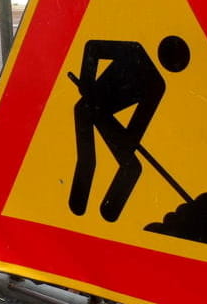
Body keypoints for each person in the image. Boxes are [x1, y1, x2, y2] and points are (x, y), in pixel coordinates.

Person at [67, 36, 190, 222]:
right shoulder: (134, 51)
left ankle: (109, 212)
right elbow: (93, 47)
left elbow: (138, 125)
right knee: (87, 160)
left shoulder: (157, 85)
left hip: (104, 115)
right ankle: (77, 204)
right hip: (87, 106)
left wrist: (128, 141)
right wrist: (87, 80)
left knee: (132, 167)